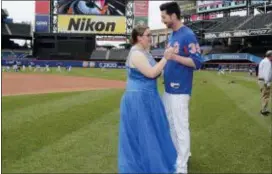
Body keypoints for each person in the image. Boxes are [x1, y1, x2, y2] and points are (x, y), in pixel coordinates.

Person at [118, 24, 177, 173]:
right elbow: (151, 73)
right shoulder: (137, 53)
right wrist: (165, 58)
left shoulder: (145, 52)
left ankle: (148, 165)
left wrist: (169, 59)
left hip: (148, 97)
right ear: (139, 38)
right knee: (144, 134)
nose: (151, 38)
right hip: (138, 99)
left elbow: (158, 72)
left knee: (152, 132)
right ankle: (142, 167)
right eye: (148, 35)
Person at [160, 2, 204, 173]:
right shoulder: (173, 35)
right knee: (171, 125)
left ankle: (182, 166)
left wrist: (175, 57)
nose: (163, 20)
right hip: (169, 89)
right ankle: (179, 154)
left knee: (180, 127)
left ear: (173, 16)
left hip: (180, 90)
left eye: (164, 17)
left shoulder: (187, 35)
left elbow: (197, 62)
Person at [258, 50, 272, 116]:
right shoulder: (267, 62)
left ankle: (265, 109)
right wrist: (267, 83)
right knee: (266, 96)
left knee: (264, 96)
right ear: (270, 55)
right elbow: (267, 73)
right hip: (265, 81)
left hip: (261, 81)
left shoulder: (263, 60)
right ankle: (263, 111)